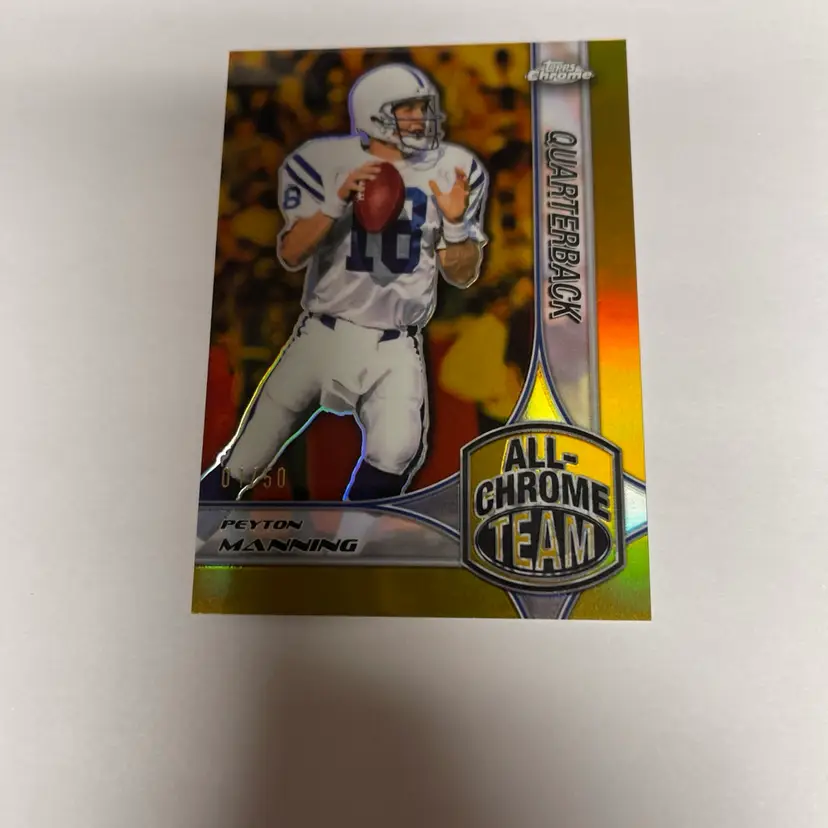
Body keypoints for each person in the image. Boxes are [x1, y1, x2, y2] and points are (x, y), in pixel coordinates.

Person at [200, 63, 489, 504]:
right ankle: (197, 526)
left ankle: (353, 537)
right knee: (245, 459)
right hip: (324, 335)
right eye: (408, 109)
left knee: (398, 453)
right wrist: (335, 202)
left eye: (422, 107)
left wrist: (454, 224)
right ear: (376, 114)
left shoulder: (453, 170)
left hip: (396, 343)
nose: (420, 118)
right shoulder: (323, 162)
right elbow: (292, 253)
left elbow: (462, 274)